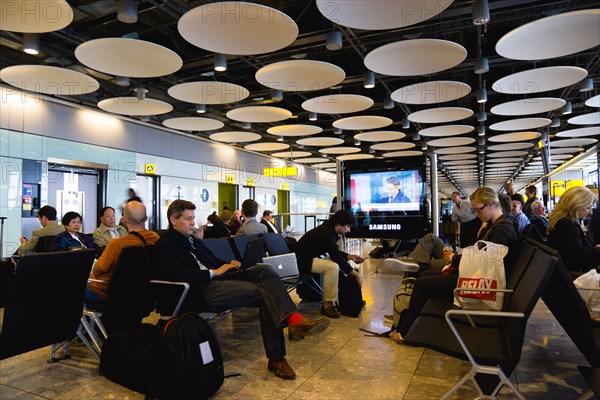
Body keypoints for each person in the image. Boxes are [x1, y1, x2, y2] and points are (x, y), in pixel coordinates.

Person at [155, 199, 330, 380]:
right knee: (266, 295)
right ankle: (280, 352)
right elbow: (173, 273)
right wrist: (213, 272)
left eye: (193, 218)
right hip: (203, 289)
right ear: (173, 220)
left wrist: (229, 265)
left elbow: (213, 260)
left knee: (264, 269)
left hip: (219, 279)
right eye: (188, 219)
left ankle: (292, 328)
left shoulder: (192, 241)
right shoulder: (165, 244)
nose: (193, 223)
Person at [389, 187, 518, 344]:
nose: (477, 215)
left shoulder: (502, 228)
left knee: (422, 283)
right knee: (423, 277)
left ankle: (406, 333)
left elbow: (485, 262)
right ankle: (409, 320)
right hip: (477, 277)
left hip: (480, 284)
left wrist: (455, 259)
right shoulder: (496, 225)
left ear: (492, 204)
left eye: (478, 210)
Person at [295, 210, 366, 318]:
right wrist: (356, 275)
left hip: (309, 258)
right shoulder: (327, 232)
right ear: (339, 223)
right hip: (302, 262)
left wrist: (349, 256)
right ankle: (327, 305)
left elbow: (333, 251)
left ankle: (351, 298)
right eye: (347, 226)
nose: (348, 230)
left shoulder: (328, 229)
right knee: (333, 267)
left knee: (339, 265)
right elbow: (335, 255)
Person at [85, 201, 159, 303]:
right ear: (146, 218)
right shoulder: (155, 238)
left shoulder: (116, 244)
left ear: (123, 220)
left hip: (106, 293)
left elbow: (98, 270)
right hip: (141, 293)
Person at [547, 186, 600, 273]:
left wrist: (594, 248)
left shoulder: (561, 222)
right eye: (587, 208)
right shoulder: (568, 225)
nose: (590, 212)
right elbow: (578, 255)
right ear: (575, 205)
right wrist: (597, 251)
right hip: (576, 275)